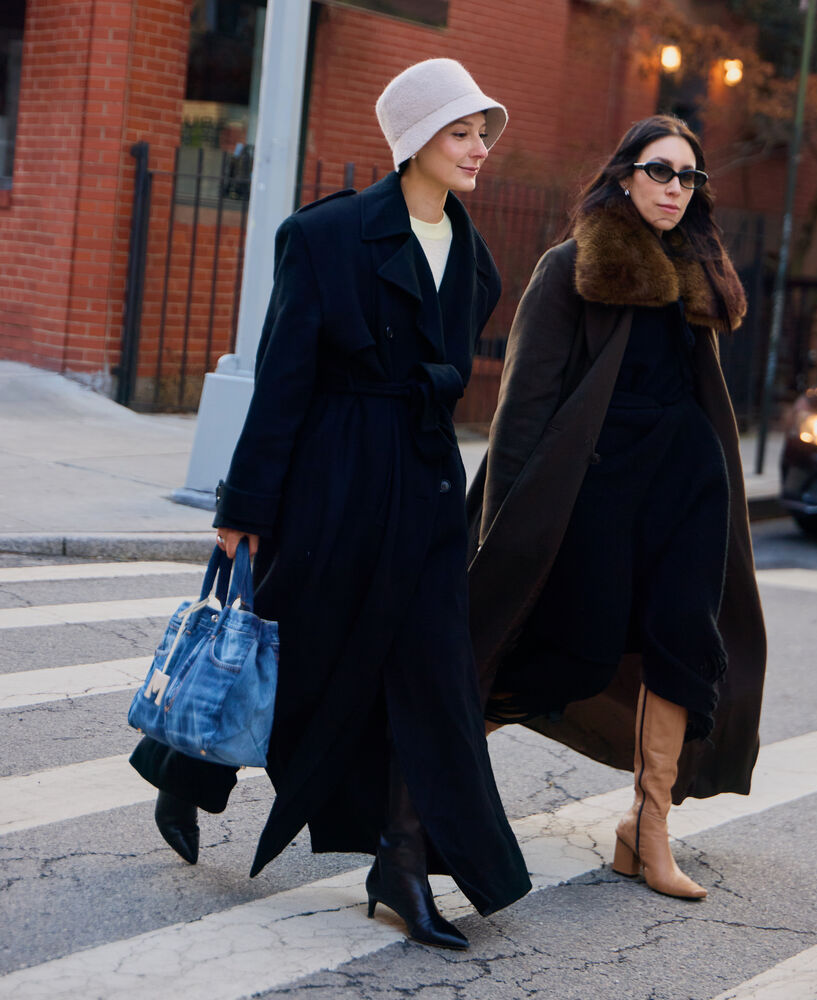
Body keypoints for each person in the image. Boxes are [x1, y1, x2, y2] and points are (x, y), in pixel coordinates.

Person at [131, 58, 531, 949]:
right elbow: (283, 381)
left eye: (483, 134)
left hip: (424, 492)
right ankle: (182, 767)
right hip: (332, 485)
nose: (478, 150)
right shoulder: (327, 237)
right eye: (461, 133)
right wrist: (247, 504)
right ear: (415, 140)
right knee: (284, 652)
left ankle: (402, 860)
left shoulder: (475, 260)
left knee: (430, 682)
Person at [467, 115, 767, 900]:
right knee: (574, 649)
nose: (675, 189)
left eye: (689, 178)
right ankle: (431, 766)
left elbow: (702, 401)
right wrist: (510, 526)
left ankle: (648, 830)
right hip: (597, 497)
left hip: (687, 498)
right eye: (660, 171)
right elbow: (523, 408)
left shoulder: (696, 275)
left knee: (681, 649)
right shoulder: (571, 268)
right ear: (625, 174)